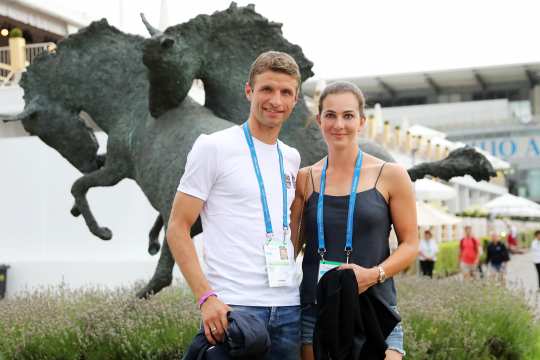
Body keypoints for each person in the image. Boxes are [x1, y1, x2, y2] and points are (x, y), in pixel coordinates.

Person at [167, 51, 303, 359]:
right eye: (266, 89)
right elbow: (177, 227)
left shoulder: (291, 158)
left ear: (295, 99)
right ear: (249, 91)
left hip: (288, 309)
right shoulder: (213, 147)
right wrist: (206, 297)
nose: (275, 100)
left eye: (286, 92)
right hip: (234, 309)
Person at [291, 81, 419, 360]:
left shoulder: (391, 175)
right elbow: (290, 246)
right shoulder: (305, 178)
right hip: (316, 313)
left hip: (376, 310)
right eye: (330, 115)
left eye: (348, 115)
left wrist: (374, 275)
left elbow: (410, 244)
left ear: (361, 121)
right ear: (319, 120)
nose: (339, 124)